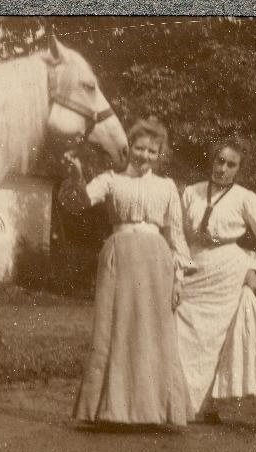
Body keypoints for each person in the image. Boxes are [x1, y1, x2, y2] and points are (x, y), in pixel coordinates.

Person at [65, 117, 193, 426]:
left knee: (154, 332)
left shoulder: (166, 186)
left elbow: (176, 237)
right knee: (114, 328)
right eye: (139, 148)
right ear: (129, 147)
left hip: (156, 261)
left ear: (159, 153)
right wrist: (76, 174)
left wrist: (178, 280)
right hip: (119, 257)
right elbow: (78, 202)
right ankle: (112, 409)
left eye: (152, 150)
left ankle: (155, 411)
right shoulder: (111, 179)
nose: (144, 155)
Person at [175, 138, 256, 422]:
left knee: (214, 340)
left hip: (227, 273)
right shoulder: (191, 193)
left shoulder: (246, 198)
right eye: (219, 161)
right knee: (182, 331)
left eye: (230, 164)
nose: (222, 168)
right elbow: (179, 234)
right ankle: (178, 402)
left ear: (238, 170)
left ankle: (206, 406)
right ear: (211, 160)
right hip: (193, 268)